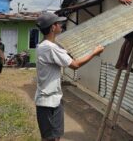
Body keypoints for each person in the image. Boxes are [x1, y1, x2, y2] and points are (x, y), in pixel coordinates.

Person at [35, 12, 104, 141]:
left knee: (52, 137)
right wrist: (94, 52)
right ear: (52, 28)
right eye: (58, 23)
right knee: (51, 138)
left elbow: (63, 54)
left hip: (49, 100)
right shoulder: (50, 48)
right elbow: (75, 65)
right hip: (49, 102)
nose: (60, 25)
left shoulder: (43, 45)